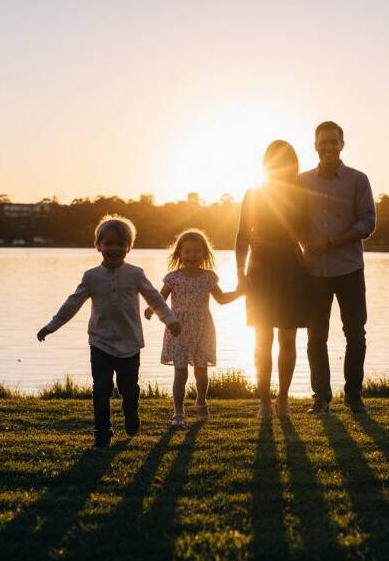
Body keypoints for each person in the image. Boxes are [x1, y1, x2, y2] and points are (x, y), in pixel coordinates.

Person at [37, 214, 181, 449]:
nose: (114, 249)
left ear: (129, 247)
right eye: (108, 244)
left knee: (129, 389)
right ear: (98, 246)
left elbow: (155, 299)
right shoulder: (91, 277)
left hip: (130, 343)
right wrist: (52, 326)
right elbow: (72, 303)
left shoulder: (135, 274)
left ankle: (131, 412)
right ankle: (102, 435)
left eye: (120, 244)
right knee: (101, 389)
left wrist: (170, 320)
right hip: (100, 343)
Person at [300, 121, 376, 414]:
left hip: (349, 269)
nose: (328, 147)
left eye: (334, 142)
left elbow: (368, 223)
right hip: (314, 272)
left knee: (355, 334)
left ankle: (353, 396)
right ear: (315, 145)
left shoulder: (358, 180)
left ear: (342, 144)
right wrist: (306, 240)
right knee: (316, 335)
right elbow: (292, 220)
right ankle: (321, 398)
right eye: (323, 142)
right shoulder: (301, 181)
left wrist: (331, 242)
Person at [236, 140, 310, 419]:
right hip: (261, 269)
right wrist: (240, 273)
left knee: (288, 339)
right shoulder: (253, 193)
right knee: (262, 338)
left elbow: (307, 231)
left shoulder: (302, 194)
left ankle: (283, 401)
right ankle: (264, 402)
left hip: (292, 268)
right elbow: (242, 235)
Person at [145, 229, 243, 427]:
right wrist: (151, 309)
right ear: (179, 253)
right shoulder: (173, 278)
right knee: (180, 373)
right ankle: (178, 412)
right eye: (187, 251)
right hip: (178, 329)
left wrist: (241, 293)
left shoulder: (208, 277)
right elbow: (159, 300)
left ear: (204, 254)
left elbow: (222, 299)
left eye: (197, 251)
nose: (192, 256)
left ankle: (201, 402)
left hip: (203, 328)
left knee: (201, 371)